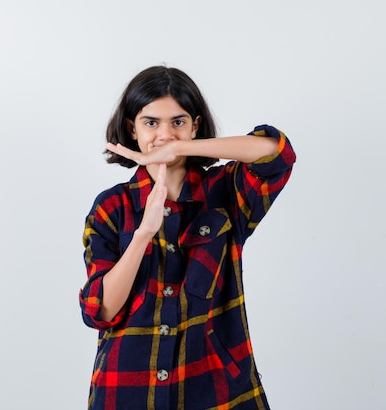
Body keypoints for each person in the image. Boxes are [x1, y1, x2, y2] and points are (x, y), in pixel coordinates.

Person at [79, 66, 296, 410]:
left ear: (195, 126)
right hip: (127, 389)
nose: (165, 134)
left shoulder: (224, 191)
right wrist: (143, 235)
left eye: (177, 122)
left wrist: (186, 147)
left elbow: (276, 154)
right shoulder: (112, 207)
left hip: (215, 388)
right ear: (130, 129)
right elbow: (100, 310)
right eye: (151, 123)